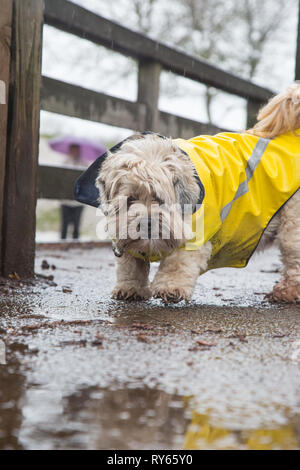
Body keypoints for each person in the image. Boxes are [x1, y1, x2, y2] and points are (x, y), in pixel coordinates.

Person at [60, 144, 84, 240]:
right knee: (64, 225)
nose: (74, 152)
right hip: (65, 200)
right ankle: (62, 244)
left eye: (76, 150)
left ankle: (75, 243)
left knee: (76, 226)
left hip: (78, 202)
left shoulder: (83, 163)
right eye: (72, 150)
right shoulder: (65, 162)